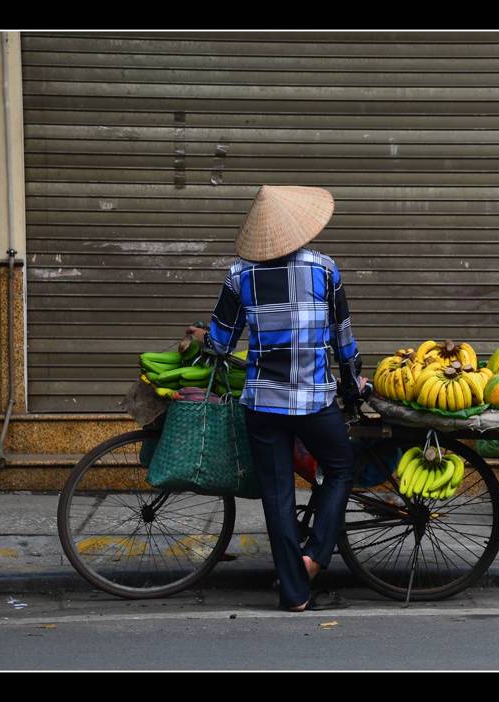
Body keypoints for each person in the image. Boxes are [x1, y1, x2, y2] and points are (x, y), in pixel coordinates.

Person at [186, 185, 366, 611]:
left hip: (262, 407)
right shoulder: (325, 270)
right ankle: (316, 557)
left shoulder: (239, 275)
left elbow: (221, 344)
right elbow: (344, 341)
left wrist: (200, 336)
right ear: (301, 229)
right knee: (341, 469)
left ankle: (294, 592)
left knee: (277, 494)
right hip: (315, 404)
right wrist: (353, 383)